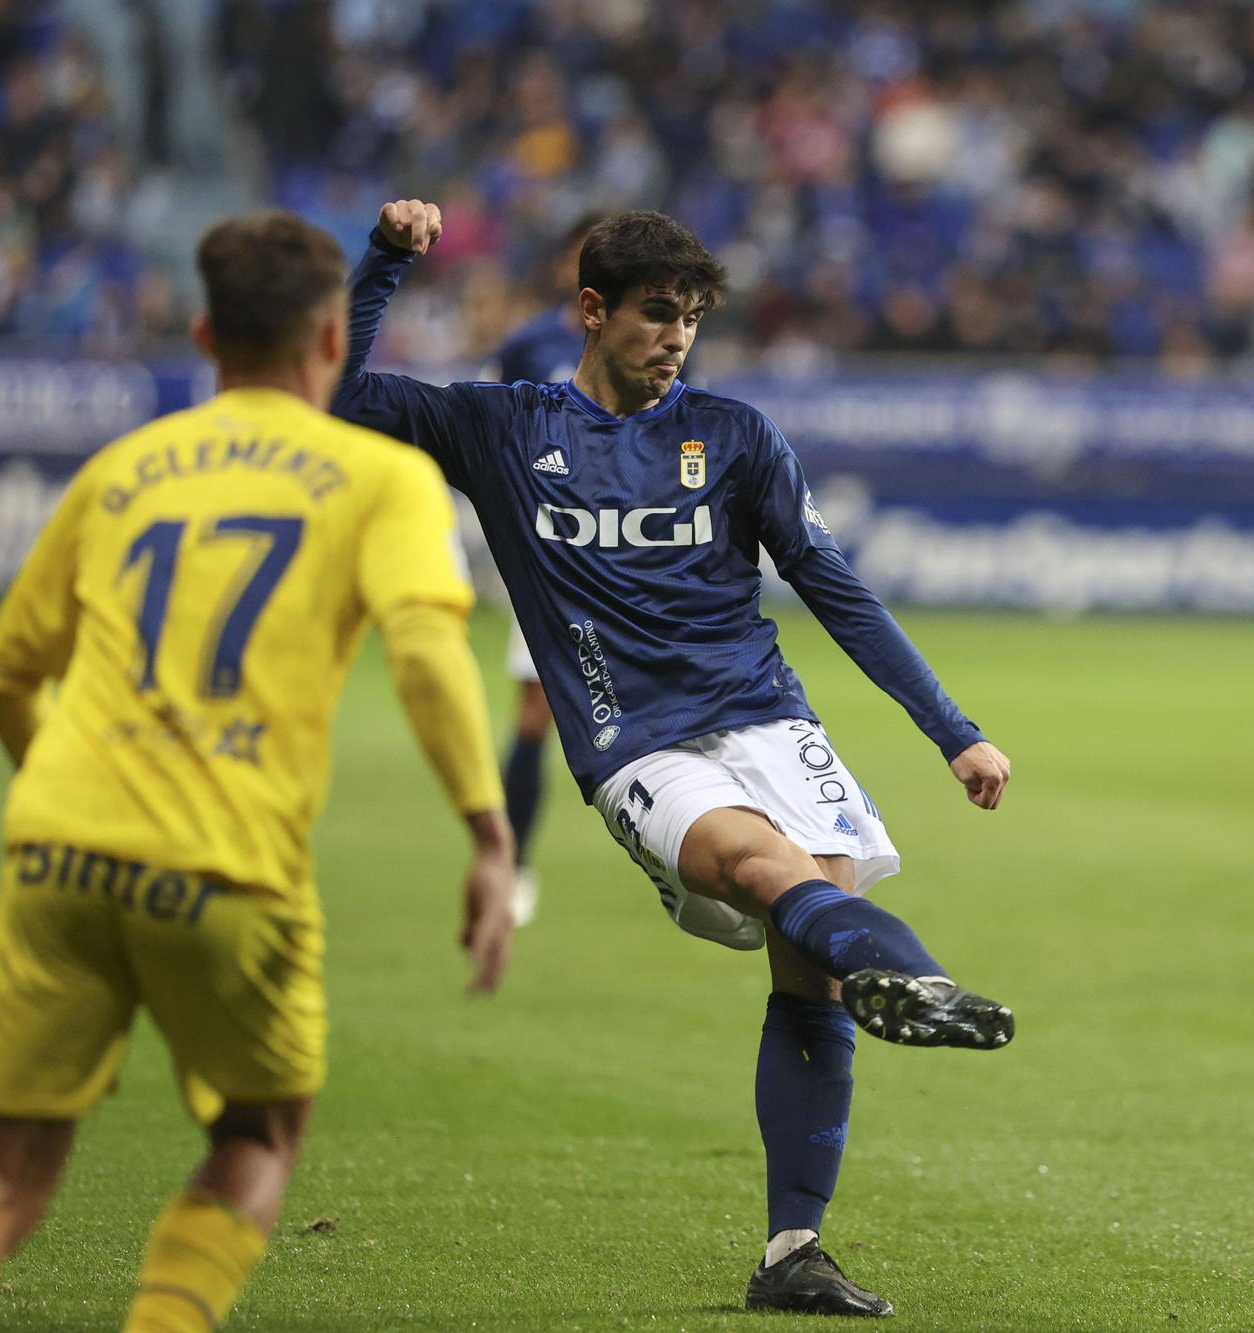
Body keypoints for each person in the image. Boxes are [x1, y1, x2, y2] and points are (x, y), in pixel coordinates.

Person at [334, 200, 1015, 1319]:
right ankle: (922, 979)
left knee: (811, 951)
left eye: (691, 320)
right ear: (593, 311)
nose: (676, 338)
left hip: (766, 716)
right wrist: (383, 264)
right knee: (756, 870)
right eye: (658, 315)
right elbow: (339, 393)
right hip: (634, 740)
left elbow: (833, 587)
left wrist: (952, 729)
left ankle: (790, 1252)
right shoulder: (503, 428)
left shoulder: (737, 436)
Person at [0, 210, 515, 1333]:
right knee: (258, 1135)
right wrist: (486, 828)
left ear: (205, 333)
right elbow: (422, 648)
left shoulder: (121, 471)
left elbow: (2, 679)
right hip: (224, 864)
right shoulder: (378, 477)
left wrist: (73, 789)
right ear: (331, 343)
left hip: (54, 850)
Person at [478, 213, 606, 928]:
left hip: (639, 551)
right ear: (566, 265)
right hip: (556, 553)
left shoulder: (655, 337)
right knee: (536, 713)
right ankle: (514, 861)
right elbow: (489, 438)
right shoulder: (529, 347)